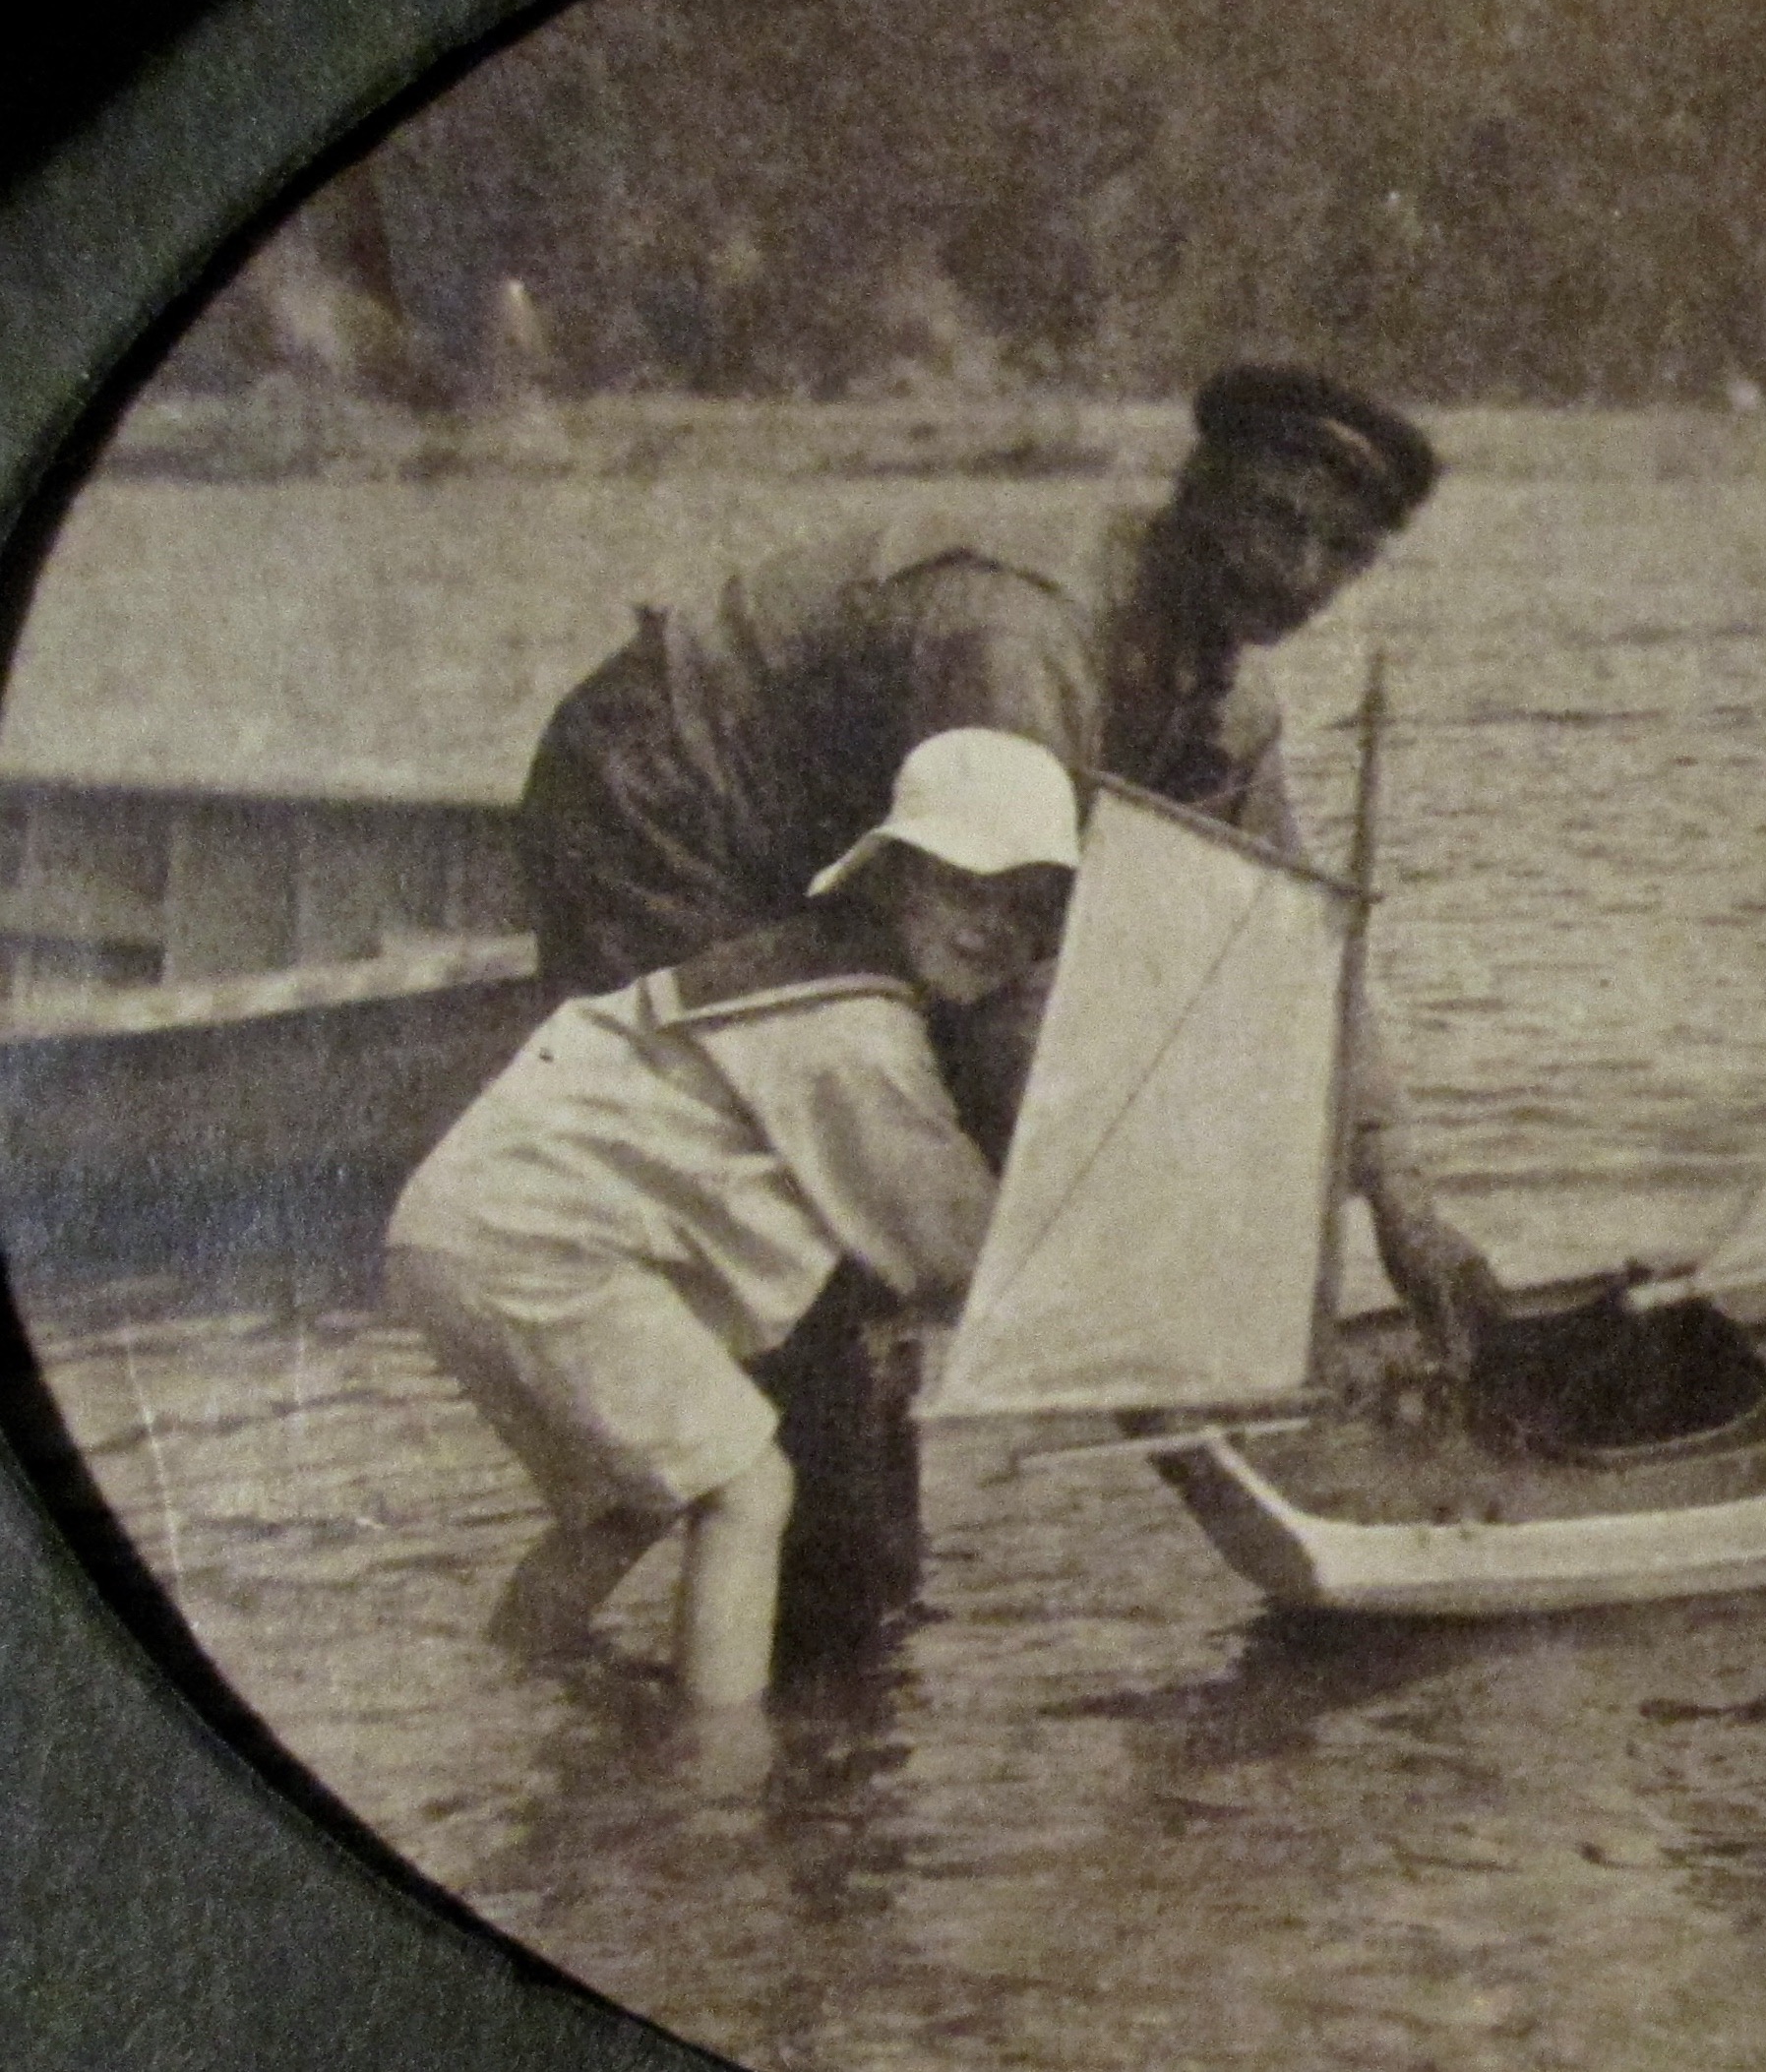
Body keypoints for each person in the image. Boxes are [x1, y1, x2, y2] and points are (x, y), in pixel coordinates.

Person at [517, 363, 1498, 1343]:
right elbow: (987, 976)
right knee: (749, 1169)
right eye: (1279, 524)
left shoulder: (1226, 710)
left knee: (879, 1188)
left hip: (833, 838)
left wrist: (1396, 1193)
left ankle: (829, 1449)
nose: (1303, 576)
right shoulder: (1019, 639)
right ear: (1197, 493)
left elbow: (1290, 951)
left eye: (1344, 552)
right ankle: (753, 1465)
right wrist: (1125, 1276)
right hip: (664, 790)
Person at [389, 731, 1078, 1709]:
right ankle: (719, 1783)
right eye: (966, 888)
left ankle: (513, 1678)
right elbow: (957, 1259)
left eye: (1029, 909)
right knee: (746, 1488)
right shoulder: (854, 1030)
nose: (994, 928)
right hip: (532, 1244)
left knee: (632, 1500)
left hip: (463, 1230)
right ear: (895, 880)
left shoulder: (816, 973)